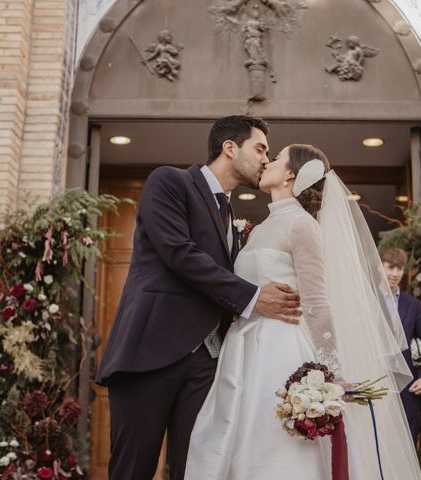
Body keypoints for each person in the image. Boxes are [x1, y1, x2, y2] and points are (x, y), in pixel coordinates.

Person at [185, 144, 421, 479]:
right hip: (242, 349)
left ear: (292, 174)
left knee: (277, 449)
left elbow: (317, 301)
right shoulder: (263, 226)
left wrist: (330, 373)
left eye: (277, 158)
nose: (267, 161)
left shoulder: (301, 225)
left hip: (281, 350)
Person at [95, 116, 302, 480]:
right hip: (149, 353)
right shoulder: (170, 182)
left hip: (206, 366)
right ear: (229, 147)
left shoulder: (232, 214)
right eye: (260, 149)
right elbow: (179, 253)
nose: (266, 160)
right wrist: (253, 297)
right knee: (132, 470)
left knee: (195, 471)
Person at [380, 247, 421, 444]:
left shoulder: (413, 305)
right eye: (390, 267)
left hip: (408, 385)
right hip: (377, 381)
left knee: (407, 442)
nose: (395, 274)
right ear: (380, 267)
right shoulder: (368, 301)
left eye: (399, 268)